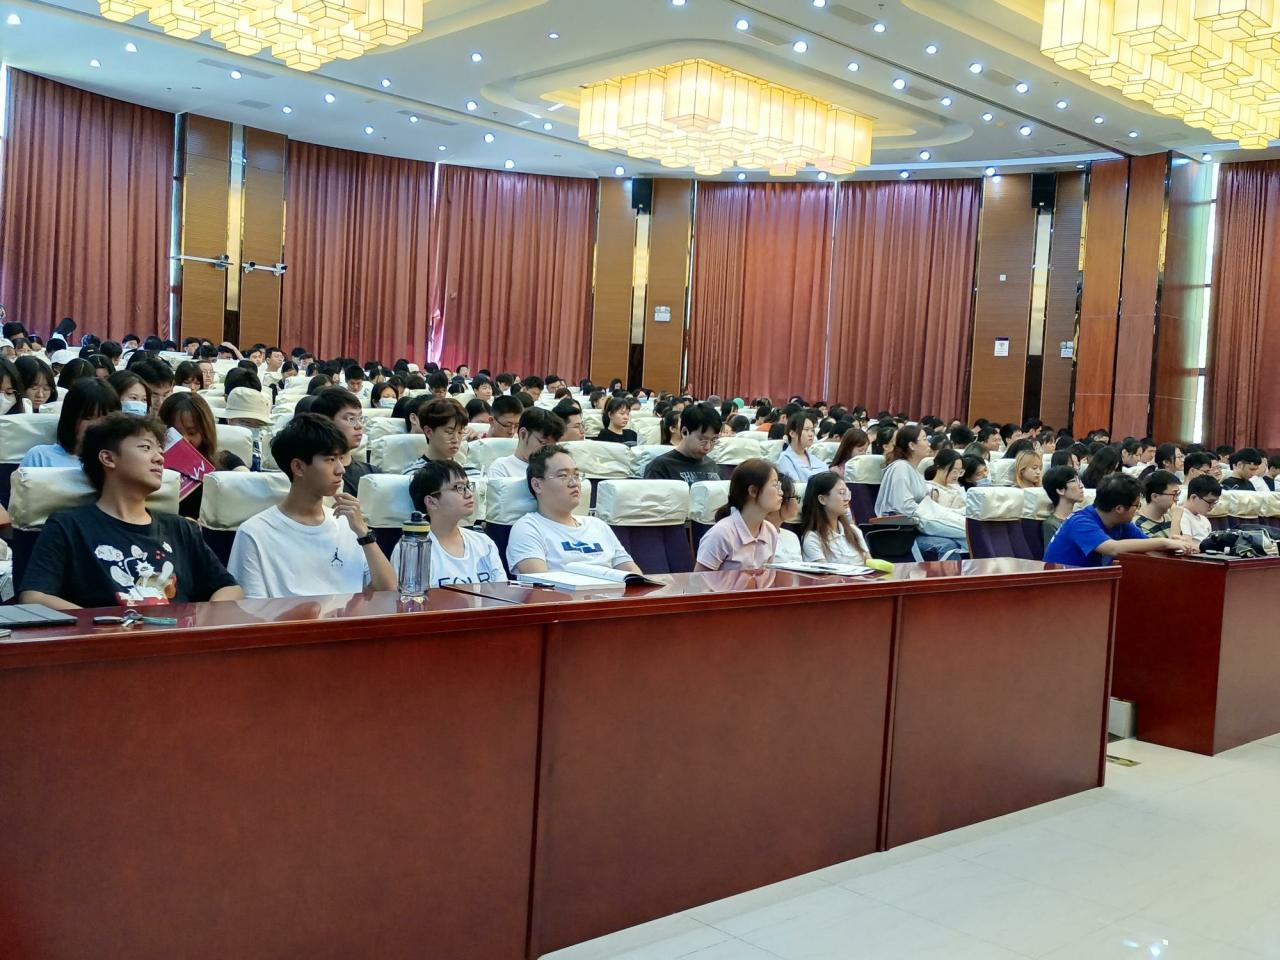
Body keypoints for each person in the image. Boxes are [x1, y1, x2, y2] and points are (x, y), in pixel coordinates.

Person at [18, 413, 243, 609]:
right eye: (146, 447)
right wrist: (98, 626)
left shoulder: (181, 529)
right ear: (108, 458)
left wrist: (199, 622)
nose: (159, 458)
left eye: (160, 450)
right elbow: (34, 596)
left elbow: (230, 589)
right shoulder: (68, 526)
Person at [228, 414, 396, 599]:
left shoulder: (349, 525)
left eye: (340, 458)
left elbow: (388, 590)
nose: (341, 469)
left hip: (349, 617)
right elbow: (252, 609)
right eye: (330, 460)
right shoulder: (254, 533)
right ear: (298, 467)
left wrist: (364, 533)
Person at [507, 445, 641, 575]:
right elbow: (540, 583)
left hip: (612, 590)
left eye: (576, 475)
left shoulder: (597, 525)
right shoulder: (528, 528)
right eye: (563, 475)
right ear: (537, 485)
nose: (574, 483)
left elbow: (632, 574)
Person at [388, 461, 507, 587]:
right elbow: (411, 597)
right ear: (431, 502)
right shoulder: (413, 549)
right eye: (459, 488)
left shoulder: (484, 543)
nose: (469, 494)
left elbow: (502, 592)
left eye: (468, 486)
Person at [1043, 474, 1189, 568]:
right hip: (1059, 586)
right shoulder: (1080, 521)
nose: (1139, 511)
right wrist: (1164, 542)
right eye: (1136, 505)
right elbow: (1113, 548)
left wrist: (1176, 544)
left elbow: (1146, 544)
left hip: (1092, 583)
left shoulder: (1121, 523)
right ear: (1119, 508)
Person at [875, 424, 967, 558]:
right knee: (965, 532)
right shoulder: (900, 468)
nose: (929, 443)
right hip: (903, 531)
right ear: (912, 445)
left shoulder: (914, 471)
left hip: (919, 522)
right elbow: (903, 507)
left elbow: (924, 504)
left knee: (967, 530)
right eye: (924, 439)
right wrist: (934, 513)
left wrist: (947, 512)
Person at [694, 459, 781, 571]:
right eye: (775, 485)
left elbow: (766, 578)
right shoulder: (721, 534)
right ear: (753, 491)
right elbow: (698, 580)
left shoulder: (770, 531)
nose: (781, 492)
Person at [20, 378, 120, 468]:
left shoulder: (117, 462)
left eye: (106, 419)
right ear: (71, 418)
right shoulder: (40, 456)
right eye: (88, 418)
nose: (98, 425)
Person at [310, 386, 377, 496]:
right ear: (326, 422)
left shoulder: (373, 474)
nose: (359, 426)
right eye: (351, 419)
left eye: (360, 418)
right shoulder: (313, 476)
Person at [800, 472, 872, 566]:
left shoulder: (854, 531)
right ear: (822, 499)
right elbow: (824, 573)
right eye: (841, 493)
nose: (847, 499)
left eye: (847, 493)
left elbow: (870, 564)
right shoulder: (813, 538)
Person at [643, 403, 724, 484]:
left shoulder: (713, 466)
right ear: (684, 432)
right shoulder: (660, 467)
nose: (707, 447)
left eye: (714, 440)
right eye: (702, 439)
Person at [403, 397, 480, 478]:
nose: (456, 439)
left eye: (460, 432)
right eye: (449, 432)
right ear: (428, 431)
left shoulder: (473, 474)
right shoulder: (414, 475)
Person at [485, 408, 566, 479]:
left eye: (553, 446)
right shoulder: (502, 468)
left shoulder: (558, 468)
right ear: (523, 434)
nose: (548, 450)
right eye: (543, 442)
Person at [775, 412, 826, 483]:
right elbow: (796, 487)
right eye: (806, 430)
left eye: (812, 430)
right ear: (792, 433)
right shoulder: (784, 460)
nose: (811, 434)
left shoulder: (814, 457)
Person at [1041, 465, 1084, 546]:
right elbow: (1053, 553)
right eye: (1074, 481)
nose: (1081, 486)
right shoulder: (1051, 525)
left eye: (1079, 480)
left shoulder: (1080, 518)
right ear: (1060, 490)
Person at [765, 472, 803, 563]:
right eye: (794, 496)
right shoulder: (759, 536)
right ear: (780, 499)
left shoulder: (792, 536)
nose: (797, 502)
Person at [1135, 470, 1183, 539]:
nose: (1177, 499)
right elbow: (1175, 545)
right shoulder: (1138, 525)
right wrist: (1176, 519)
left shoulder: (1168, 516)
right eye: (1174, 494)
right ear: (1155, 497)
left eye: (1178, 494)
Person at [1179, 475, 1221, 543]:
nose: (1212, 506)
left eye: (1215, 502)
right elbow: (1187, 545)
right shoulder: (1181, 516)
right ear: (1194, 497)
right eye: (1210, 502)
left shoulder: (1204, 519)